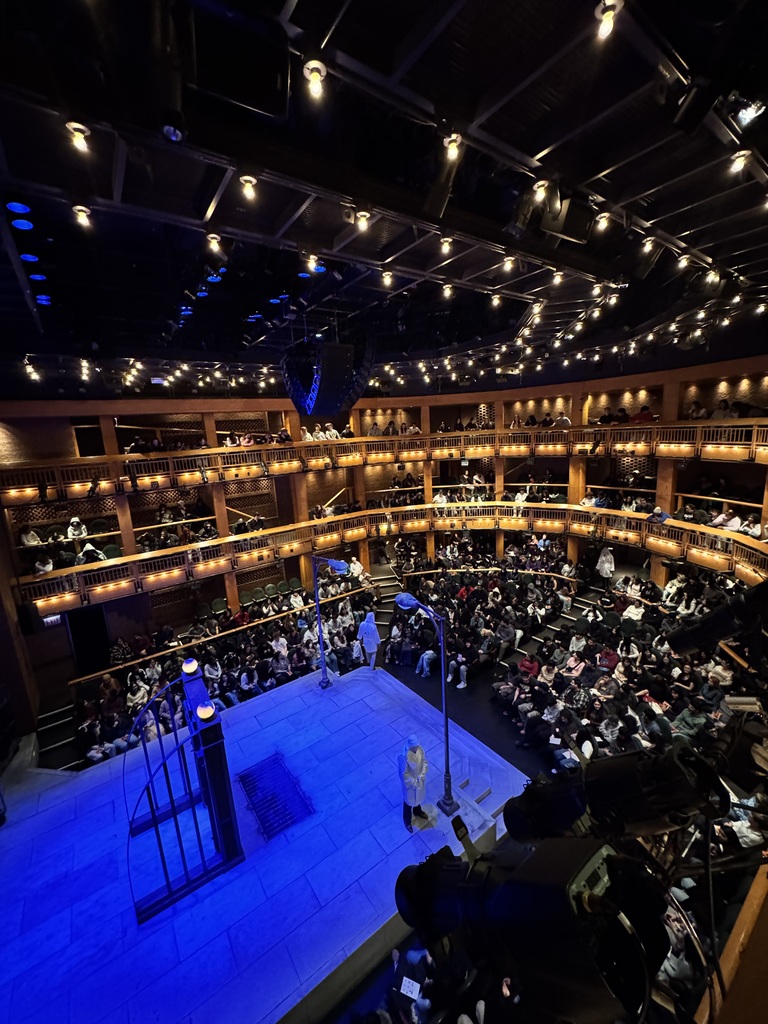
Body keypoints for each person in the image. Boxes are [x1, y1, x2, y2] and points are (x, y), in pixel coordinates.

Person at [399, 734, 428, 833]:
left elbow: (424, 762)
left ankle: (417, 811)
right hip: (411, 784)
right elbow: (404, 773)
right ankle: (407, 821)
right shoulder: (403, 756)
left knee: (418, 798)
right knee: (408, 802)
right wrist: (413, 782)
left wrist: (423, 774)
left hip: (419, 780)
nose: (416, 748)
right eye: (414, 746)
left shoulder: (420, 750)